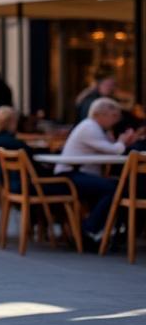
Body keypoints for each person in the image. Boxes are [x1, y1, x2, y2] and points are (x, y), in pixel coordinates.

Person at [55, 97, 136, 245]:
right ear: (101, 114)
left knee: (116, 186)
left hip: (78, 173)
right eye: (114, 116)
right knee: (115, 189)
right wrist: (122, 142)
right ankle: (89, 229)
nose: (116, 121)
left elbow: (109, 150)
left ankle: (103, 230)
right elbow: (113, 151)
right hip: (70, 175)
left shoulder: (94, 127)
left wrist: (119, 143)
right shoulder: (89, 127)